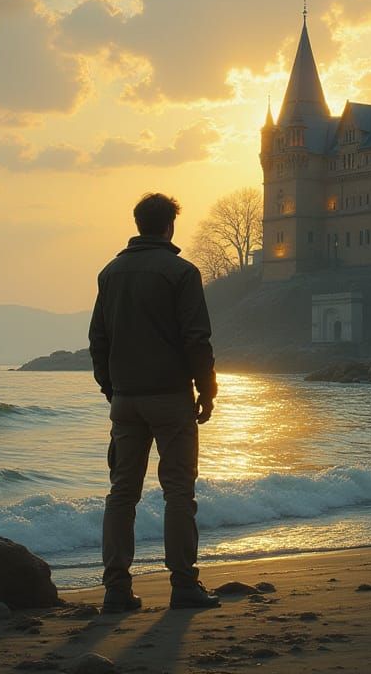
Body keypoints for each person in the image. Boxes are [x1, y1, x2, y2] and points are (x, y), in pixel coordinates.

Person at [88, 192, 219, 613]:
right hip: (170, 397)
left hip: (126, 400)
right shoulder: (181, 272)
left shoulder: (110, 273)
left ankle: (116, 589)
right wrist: (207, 389)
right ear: (169, 226)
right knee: (178, 491)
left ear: (138, 223)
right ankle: (183, 584)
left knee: (122, 493)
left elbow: (97, 340)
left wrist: (111, 388)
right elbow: (196, 338)